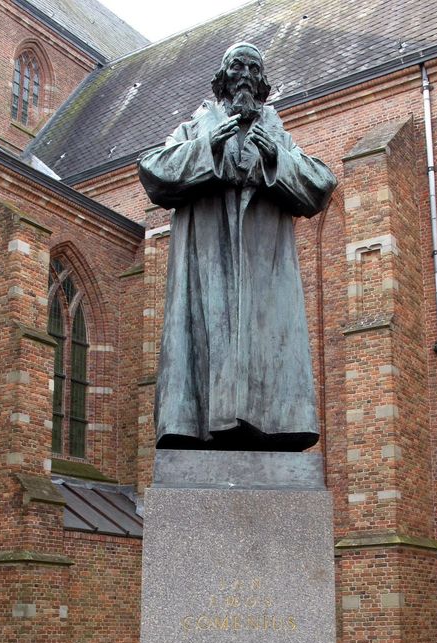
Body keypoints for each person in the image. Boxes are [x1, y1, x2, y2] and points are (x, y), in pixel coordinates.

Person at [139, 42, 337, 451]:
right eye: (236, 66)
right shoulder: (195, 128)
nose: (244, 74)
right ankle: (199, 423)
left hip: (264, 271)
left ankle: (273, 424)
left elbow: (320, 186)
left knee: (266, 357)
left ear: (262, 82)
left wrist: (275, 159)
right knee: (204, 347)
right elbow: (153, 171)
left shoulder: (278, 134)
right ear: (222, 79)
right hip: (206, 265)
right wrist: (207, 146)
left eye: (253, 68)